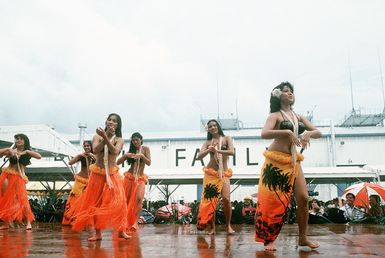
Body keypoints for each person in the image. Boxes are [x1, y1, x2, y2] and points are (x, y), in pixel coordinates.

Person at [254, 82, 322, 251]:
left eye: (291, 91)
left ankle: (303, 238)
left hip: (293, 160)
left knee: (304, 198)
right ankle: (268, 239)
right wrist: (287, 132)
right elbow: (264, 133)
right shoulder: (275, 115)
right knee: (272, 201)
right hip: (275, 161)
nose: (290, 93)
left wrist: (307, 133)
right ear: (278, 96)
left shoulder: (298, 117)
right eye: (286, 91)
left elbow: (319, 132)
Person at [71, 113, 130, 241]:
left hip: (112, 173)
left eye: (114, 121)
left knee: (121, 202)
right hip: (97, 173)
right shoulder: (97, 136)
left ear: (118, 124)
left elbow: (115, 151)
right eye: (110, 120)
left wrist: (107, 137)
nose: (111, 122)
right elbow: (96, 150)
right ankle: (97, 234)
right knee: (95, 203)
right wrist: (105, 136)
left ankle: (121, 230)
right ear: (106, 122)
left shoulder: (120, 139)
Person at [196, 119, 235, 234]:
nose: (213, 127)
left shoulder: (227, 138)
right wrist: (209, 150)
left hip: (224, 173)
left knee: (226, 199)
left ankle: (228, 225)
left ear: (218, 126)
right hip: (210, 173)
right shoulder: (208, 142)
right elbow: (199, 156)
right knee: (210, 201)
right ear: (208, 129)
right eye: (210, 126)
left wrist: (217, 150)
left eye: (214, 125)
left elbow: (232, 152)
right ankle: (212, 228)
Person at [0, 134, 41, 230]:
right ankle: (6, 223)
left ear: (25, 141)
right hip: (6, 175)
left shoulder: (27, 152)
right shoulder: (12, 151)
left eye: (20, 139)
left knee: (22, 200)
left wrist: (26, 151)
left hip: (18, 177)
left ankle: (28, 222)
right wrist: (8, 149)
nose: (18, 140)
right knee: (6, 198)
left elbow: (39, 156)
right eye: (17, 139)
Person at [117, 132, 151, 232]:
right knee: (126, 200)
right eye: (133, 140)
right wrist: (125, 156)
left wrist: (141, 156)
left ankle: (135, 222)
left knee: (139, 198)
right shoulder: (131, 150)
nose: (135, 142)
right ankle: (124, 221)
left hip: (140, 178)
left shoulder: (145, 149)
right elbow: (118, 162)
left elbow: (149, 162)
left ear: (141, 139)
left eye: (137, 139)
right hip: (129, 177)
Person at [62, 140, 96, 225]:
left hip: (91, 182)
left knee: (88, 201)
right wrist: (79, 155)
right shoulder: (81, 156)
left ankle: (85, 220)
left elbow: (100, 162)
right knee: (75, 198)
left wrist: (92, 155)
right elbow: (70, 162)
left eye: (88, 146)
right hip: (80, 180)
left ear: (91, 147)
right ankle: (71, 220)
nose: (86, 147)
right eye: (85, 146)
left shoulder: (95, 156)